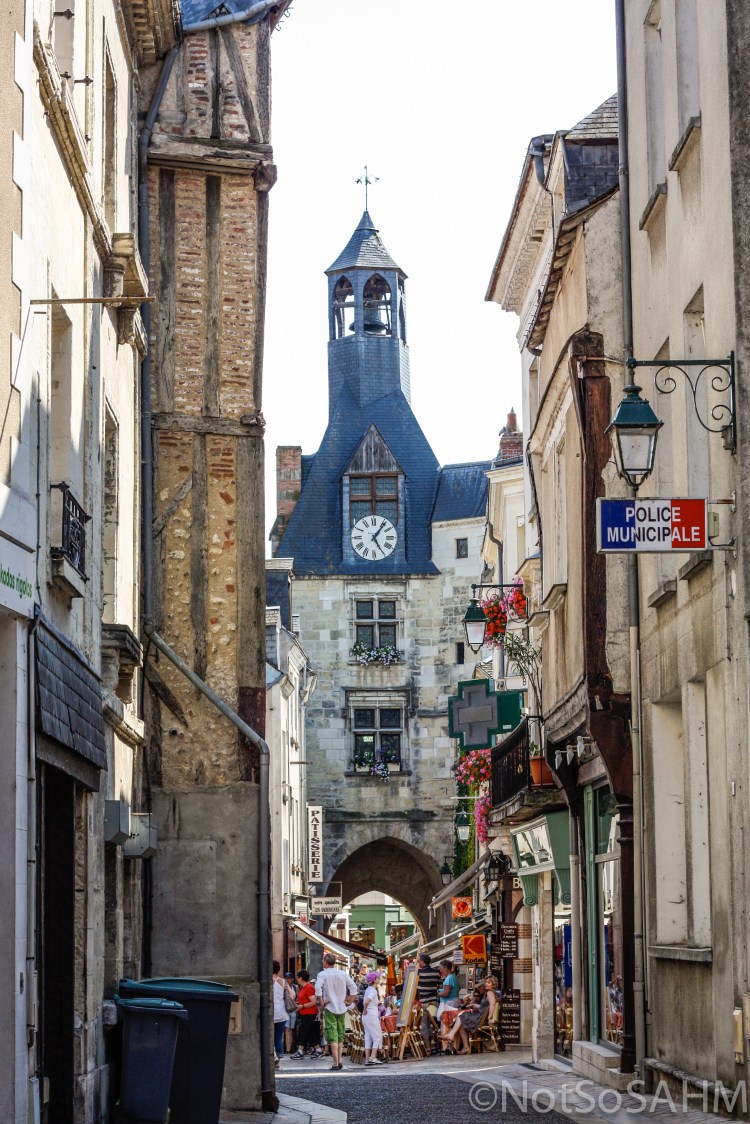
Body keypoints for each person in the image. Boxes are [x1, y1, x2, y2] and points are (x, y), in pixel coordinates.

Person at [314, 952, 358, 1071]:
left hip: (330, 1007)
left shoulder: (322, 974)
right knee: (340, 1034)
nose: (322, 962)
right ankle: (340, 1061)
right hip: (342, 1007)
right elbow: (354, 988)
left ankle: (335, 1062)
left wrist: (321, 1001)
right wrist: (350, 1001)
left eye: (323, 961)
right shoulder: (343, 974)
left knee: (332, 1035)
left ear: (326, 962)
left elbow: (317, 989)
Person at [442, 976, 499, 1055]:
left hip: (481, 1019)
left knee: (461, 1015)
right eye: (486, 982)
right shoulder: (492, 993)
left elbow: (492, 1004)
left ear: (493, 984)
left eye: (488, 982)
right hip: (481, 1017)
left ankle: (451, 1035)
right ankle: (466, 1047)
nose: (486, 984)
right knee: (461, 1023)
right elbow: (486, 1006)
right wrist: (475, 1005)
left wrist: (490, 1018)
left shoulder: (490, 993)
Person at [291, 970, 323, 1058]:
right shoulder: (304, 987)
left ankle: (300, 1051)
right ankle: (318, 1049)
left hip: (309, 1013)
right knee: (309, 1032)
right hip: (305, 1012)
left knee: (302, 1031)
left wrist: (302, 1006)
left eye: (298, 977)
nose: (297, 979)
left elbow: (314, 1001)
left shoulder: (308, 987)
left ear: (301, 978)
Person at [416, 952, 441, 1053]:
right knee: (433, 1024)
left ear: (422, 962)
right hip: (434, 1002)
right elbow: (440, 986)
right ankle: (434, 1045)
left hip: (424, 1002)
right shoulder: (436, 972)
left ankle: (428, 1048)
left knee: (424, 1025)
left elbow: (416, 988)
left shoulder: (419, 972)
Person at [272, 961, 292, 1068]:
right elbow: (292, 996)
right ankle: (278, 1062)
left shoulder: (267, 981)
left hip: (270, 1013)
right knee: (278, 1038)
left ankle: (274, 1056)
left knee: (268, 1037)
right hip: (282, 1013)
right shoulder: (283, 982)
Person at [362, 969, 384, 1065]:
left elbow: (366, 1001)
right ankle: (373, 1057)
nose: (379, 979)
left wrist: (365, 1010)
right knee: (377, 1037)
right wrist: (365, 1009)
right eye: (378, 978)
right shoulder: (374, 991)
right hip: (371, 1015)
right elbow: (367, 1001)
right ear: (374, 980)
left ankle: (367, 1059)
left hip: (366, 1017)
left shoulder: (368, 989)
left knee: (368, 1037)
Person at [284, 972, 298, 1055]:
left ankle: (290, 1048)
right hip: (285, 1010)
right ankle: (287, 1049)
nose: (287, 979)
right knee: (287, 1030)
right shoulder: (283, 986)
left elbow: (298, 997)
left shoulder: (295, 987)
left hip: (293, 1010)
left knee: (291, 1029)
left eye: (288, 978)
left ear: (292, 979)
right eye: (286, 978)